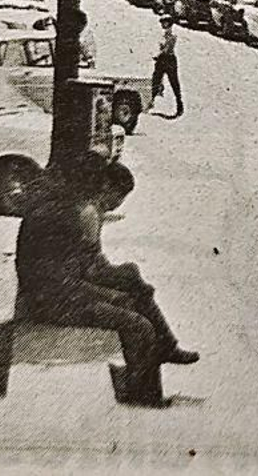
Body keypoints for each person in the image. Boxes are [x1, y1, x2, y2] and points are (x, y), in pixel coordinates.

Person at [15, 159, 197, 407]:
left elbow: (81, 268)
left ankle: (162, 353)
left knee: (132, 292)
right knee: (139, 325)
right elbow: (64, 281)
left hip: (56, 294)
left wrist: (116, 284)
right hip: (50, 303)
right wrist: (112, 296)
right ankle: (144, 396)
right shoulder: (70, 218)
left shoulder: (62, 212)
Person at [151, 15, 182, 117]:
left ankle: (179, 105)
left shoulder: (172, 35)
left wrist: (158, 55)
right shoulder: (163, 35)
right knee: (155, 80)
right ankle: (151, 103)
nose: (163, 25)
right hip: (162, 59)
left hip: (168, 60)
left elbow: (167, 49)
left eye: (165, 23)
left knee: (174, 82)